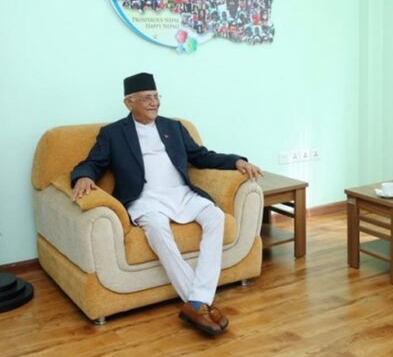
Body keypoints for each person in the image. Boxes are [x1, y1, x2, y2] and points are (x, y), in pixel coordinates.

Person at [70, 72, 262, 336]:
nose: (154, 102)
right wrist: (83, 176)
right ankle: (200, 303)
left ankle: (197, 302)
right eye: (146, 98)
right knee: (158, 229)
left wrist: (236, 161)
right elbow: (93, 163)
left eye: (156, 96)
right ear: (129, 102)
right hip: (144, 199)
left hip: (181, 194)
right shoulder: (113, 133)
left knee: (215, 217)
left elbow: (202, 156)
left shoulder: (174, 127)